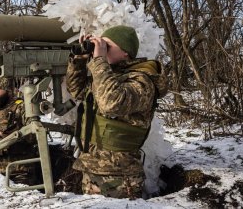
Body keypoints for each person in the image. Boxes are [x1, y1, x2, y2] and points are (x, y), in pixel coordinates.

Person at [66, 25, 168, 199]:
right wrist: (80, 59)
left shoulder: (142, 80)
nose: (102, 49)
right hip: (92, 168)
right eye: (101, 45)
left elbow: (111, 103)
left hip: (120, 177)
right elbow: (78, 91)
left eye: (108, 46)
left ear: (126, 52)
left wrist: (99, 60)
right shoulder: (109, 76)